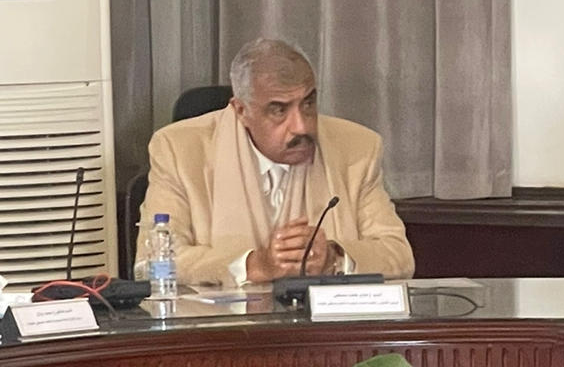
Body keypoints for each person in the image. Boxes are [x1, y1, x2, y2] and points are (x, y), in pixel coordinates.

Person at [136, 39, 415, 286]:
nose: (301, 126)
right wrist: (256, 265)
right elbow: (151, 263)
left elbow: (399, 256)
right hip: (221, 327)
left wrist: (334, 258)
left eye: (308, 104)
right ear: (241, 111)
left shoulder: (357, 148)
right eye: (279, 110)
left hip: (326, 325)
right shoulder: (179, 151)